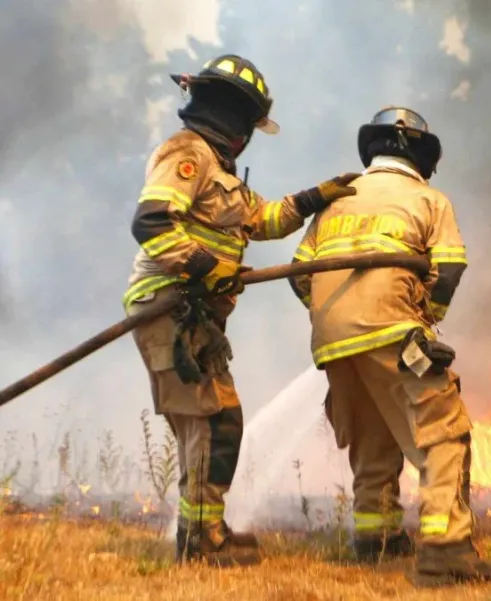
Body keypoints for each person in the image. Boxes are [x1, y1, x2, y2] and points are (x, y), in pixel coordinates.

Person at [123, 54, 358, 567]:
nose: (249, 136)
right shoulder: (187, 154)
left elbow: (265, 219)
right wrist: (205, 268)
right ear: (234, 117)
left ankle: (205, 529)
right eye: (250, 125)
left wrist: (316, 197)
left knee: (220, 422)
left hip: (198, 316)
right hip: (170, 308)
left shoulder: (221, 171)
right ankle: (201, 544)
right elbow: (153, 222)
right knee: (207, 422)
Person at [287, 106, 491, 587]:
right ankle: (445, 549)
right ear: (421, 157)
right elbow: (449, 269)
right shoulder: (429, 199)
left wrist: (334, 318)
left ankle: (375, 538)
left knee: (373, 435)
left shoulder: (335, 203)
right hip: (394, 330)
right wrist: (427, 320)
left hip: (332, 343)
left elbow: (300, 276)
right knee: (443, 433)